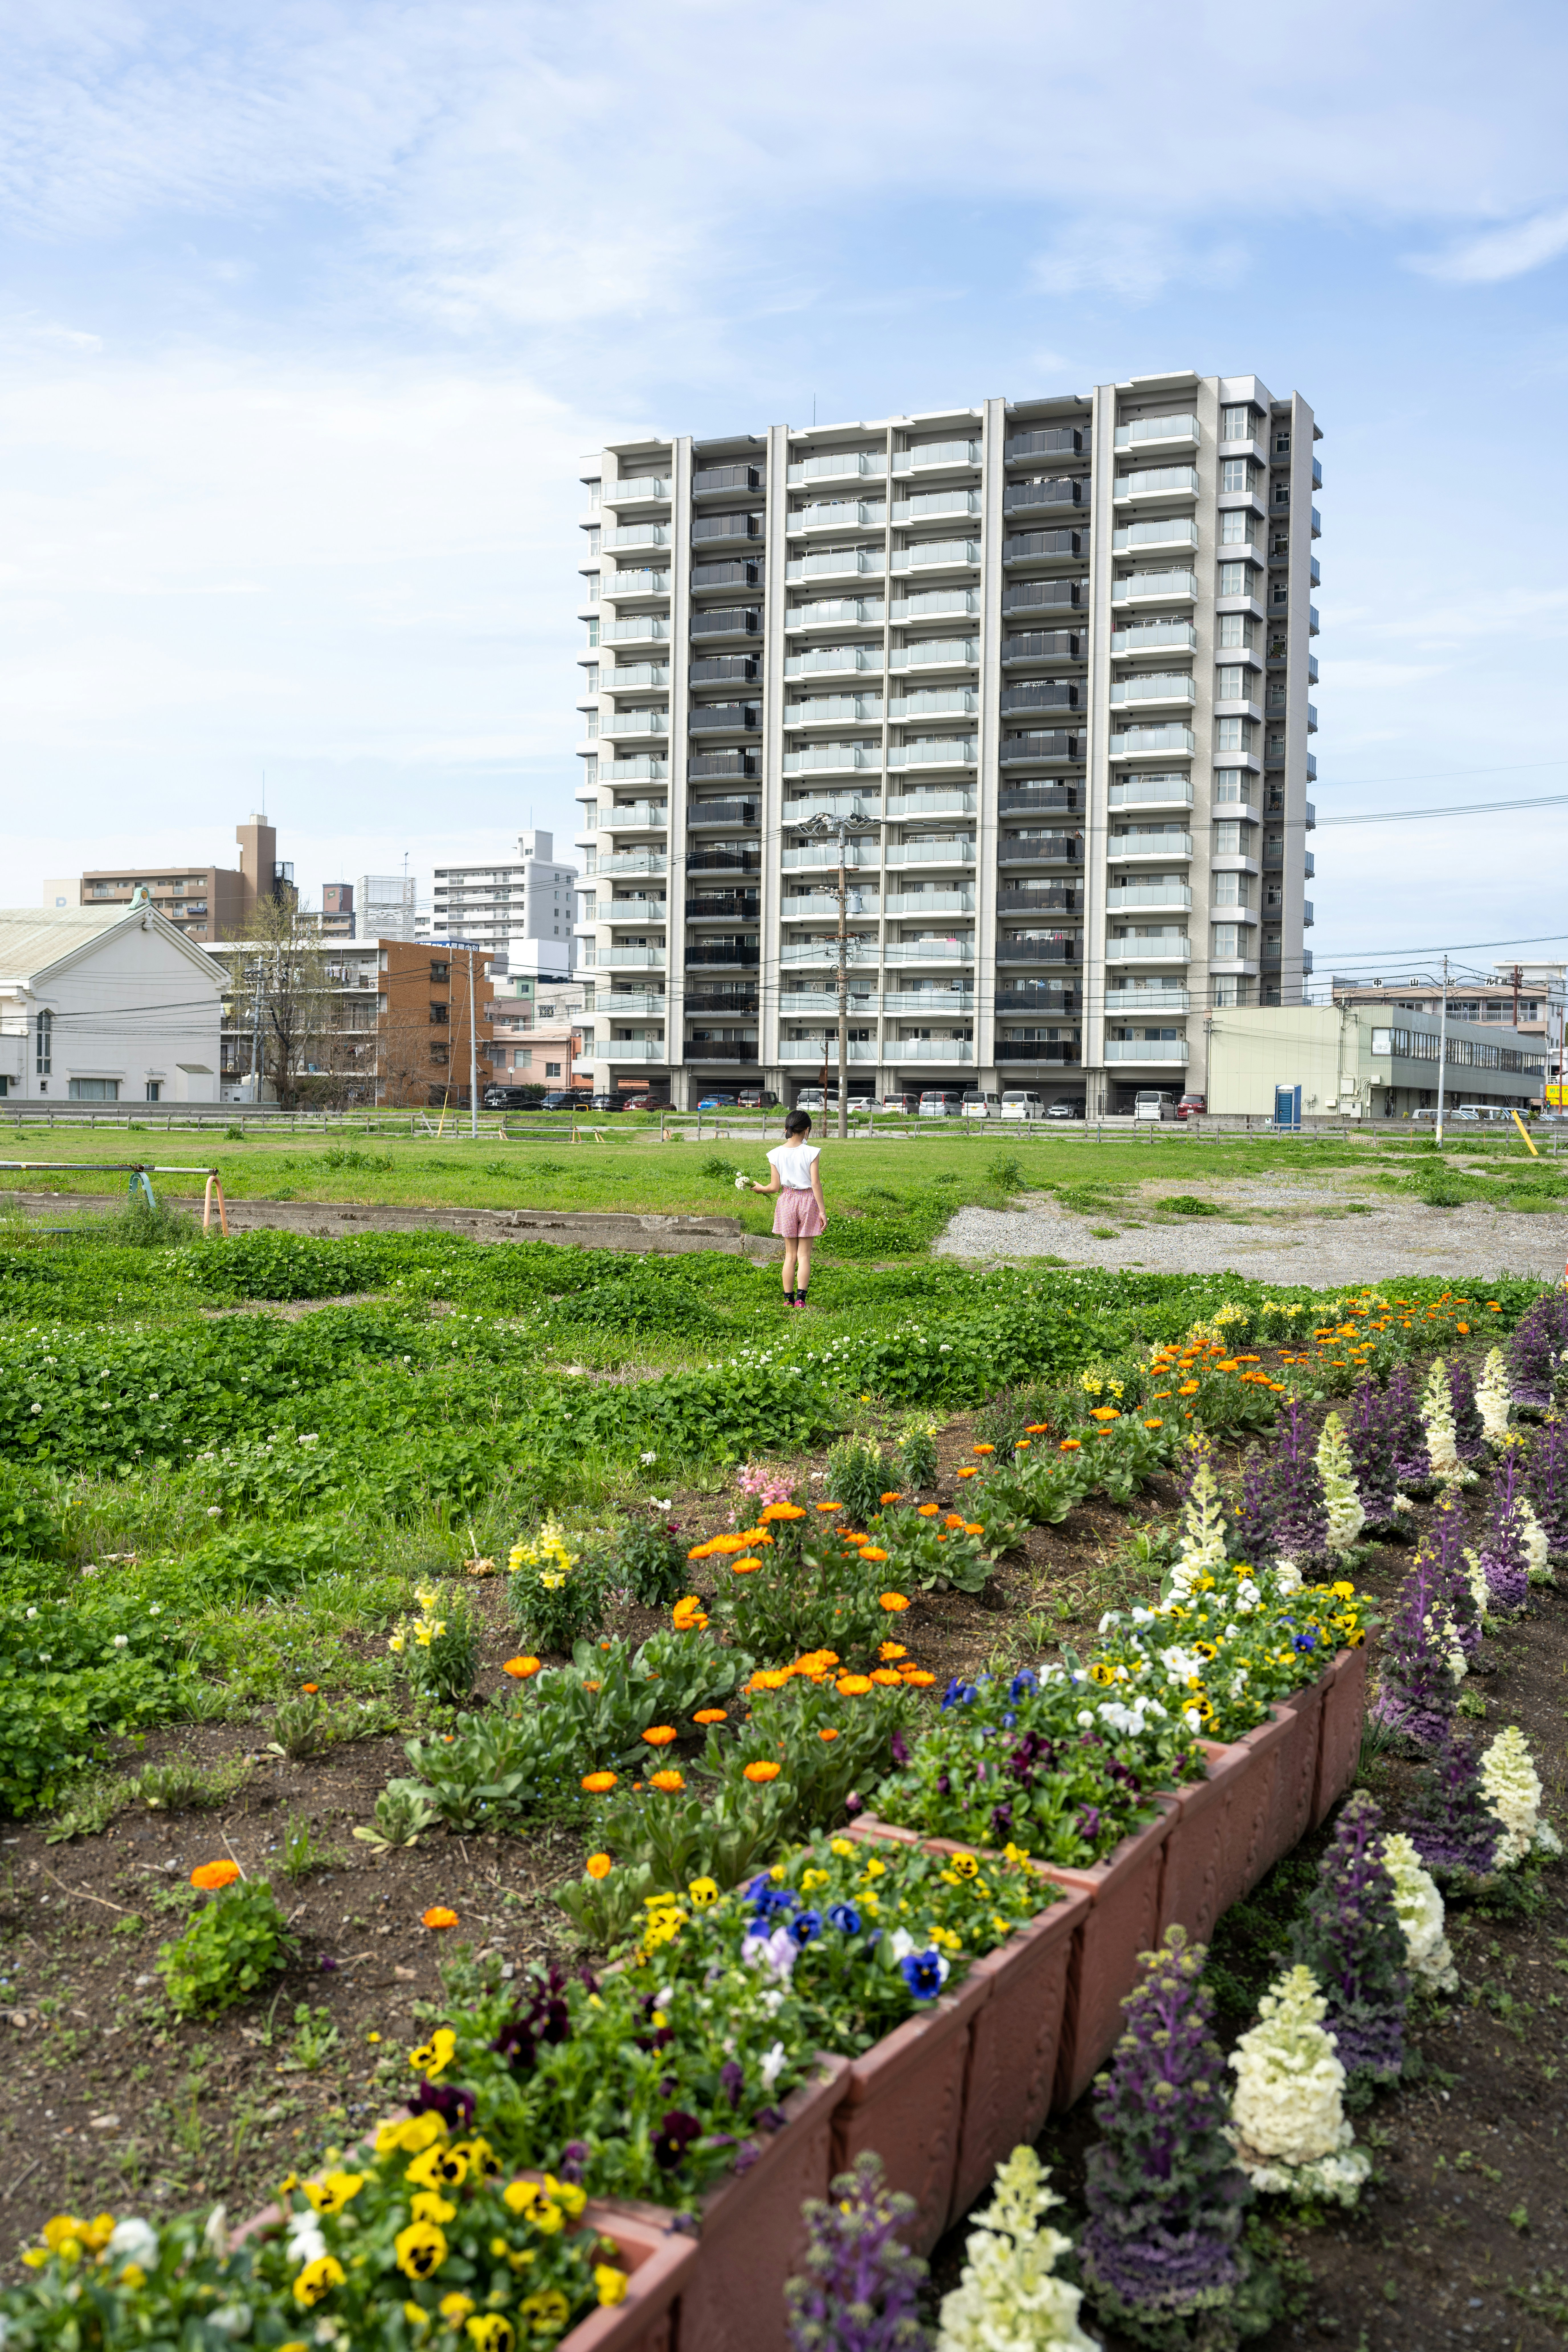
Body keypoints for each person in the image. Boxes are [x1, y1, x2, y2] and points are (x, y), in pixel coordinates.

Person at [749, 1108, 827, 1308]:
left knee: (790, 1256)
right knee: (804, 1256)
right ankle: (801, 1300)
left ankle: (788, 1300)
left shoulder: (775, 1153)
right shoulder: (812, 1152)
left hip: (787, 1201)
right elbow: (816, 1184)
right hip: (808, 1202)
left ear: (787, 1129)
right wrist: (822, 1211)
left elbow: (774, 1187)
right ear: (807, 1130)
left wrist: (760, 1189)